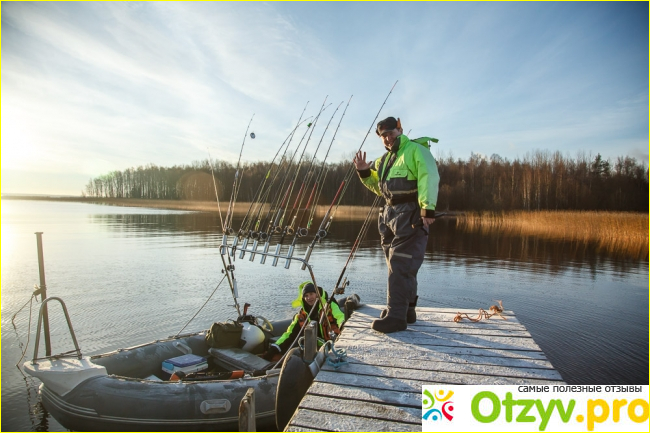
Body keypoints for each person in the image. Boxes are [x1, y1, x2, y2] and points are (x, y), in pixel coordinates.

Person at [352, 116, 440, 333]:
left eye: (391, 133)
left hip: (410, 216)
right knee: (398, 266)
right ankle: (405, 311)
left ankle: (396, 317)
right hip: (389, 216)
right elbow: (379, 189)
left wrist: (427, 208)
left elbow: (429, 177)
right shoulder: (382, 161)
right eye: (383, 136)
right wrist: (364, 171)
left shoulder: (416, 150)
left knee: (401, 265)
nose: (388, 138)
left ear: (400, 130)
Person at [264, 281, 345, 360]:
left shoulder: (329, 305)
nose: (309, 298)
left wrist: (342, 326)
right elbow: (289, 333)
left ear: (317, 294)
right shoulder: (302, 315)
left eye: (311, 294)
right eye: (306, 295)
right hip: (313, 347)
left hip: (332, 344)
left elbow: (339, 316)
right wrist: (275, 348)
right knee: (292, 349)